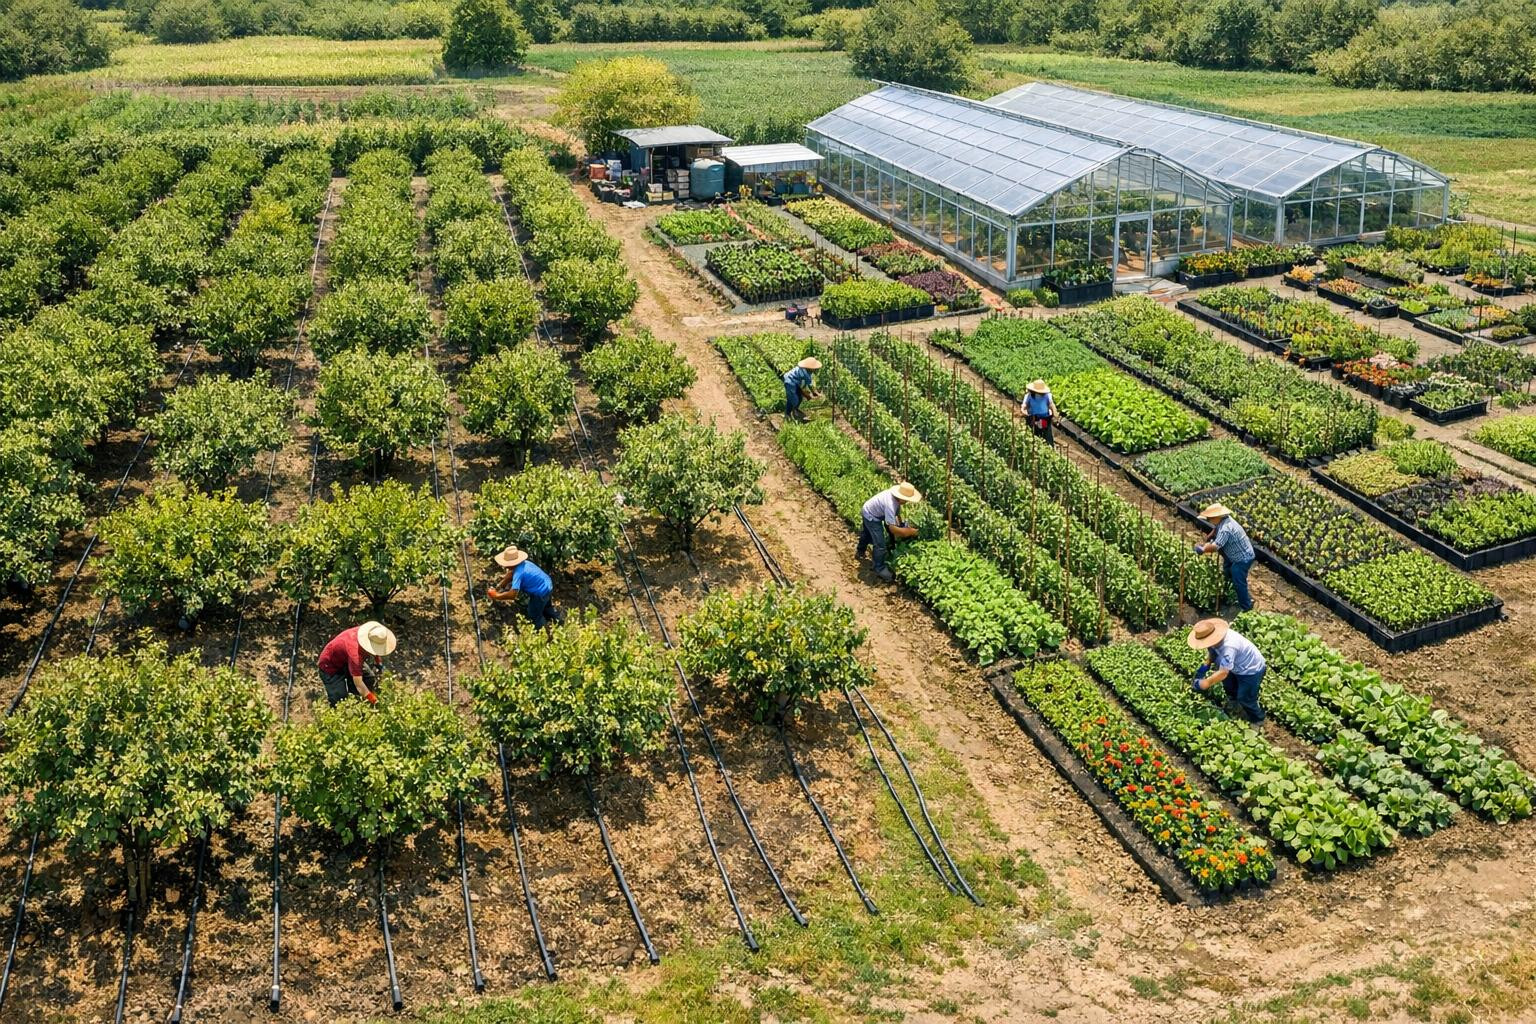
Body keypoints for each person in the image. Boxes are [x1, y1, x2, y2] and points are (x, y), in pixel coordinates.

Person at [1188, 617, 1267, 723]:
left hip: (1250, 670)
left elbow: (1223, 672)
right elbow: (1212, 652)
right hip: (1234, 666)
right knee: (1229, 686)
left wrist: (1206, 682)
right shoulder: (1215, 639)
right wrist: (1205, 666)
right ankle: (1234, 700)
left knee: (1245, 697)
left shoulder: (1229, 647)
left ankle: (1258, 718)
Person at [1193, 502, 1257, 612]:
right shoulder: (1223, 520)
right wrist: (1211, 535)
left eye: (1209, 518)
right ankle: (1230, 589)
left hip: (1242, 558)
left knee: (1238, 580)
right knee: (1228, 571)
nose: (1208, 520)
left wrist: (1203, 549)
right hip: (1233, 554)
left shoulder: (1226, 529)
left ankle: (1246, 607)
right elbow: (1216, 529)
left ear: (1216, 517)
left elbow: (1215, 547)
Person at [317, 621, 395, 707]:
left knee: (369, 679)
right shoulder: (355, 656)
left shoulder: (368, 634)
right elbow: (359, 684)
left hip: (346, 658)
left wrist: (379, 663)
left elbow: (376, 647)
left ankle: (356, 698)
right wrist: (373, 700)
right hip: (330, 666)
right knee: (339, 700)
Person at [856, 481, 922, 581]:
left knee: (867, 533)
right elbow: (892, 529)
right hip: (871, 516)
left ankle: (860, 550)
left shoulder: (895, 500)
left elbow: (897, 514)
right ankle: (879, 568)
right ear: (901, 498)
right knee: (880, 544)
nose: (907, 502)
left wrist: (900, 524)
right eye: (907, 499)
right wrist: (908, 532)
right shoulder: (890, 504)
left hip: (869, 509)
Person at [488, 545, 565, 628]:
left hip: (540, 592)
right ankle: (560, 621)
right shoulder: (524, 563)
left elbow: (512, 594)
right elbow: (510, 574)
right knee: (546, 606)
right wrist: (499, 587)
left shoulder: (518, 573)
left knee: (534, 614)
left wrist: (496, 596)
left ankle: (545, 634)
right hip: (547, 585)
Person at [782, 356, 821, 421]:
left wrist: (814, 392)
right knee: (794, 400)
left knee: (799, 398)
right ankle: (789, 414)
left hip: (795, 382)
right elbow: (805, 387)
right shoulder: (804, 374)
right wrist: (808, 395)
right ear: (810, 368)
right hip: (790, 382)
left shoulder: (806, 371)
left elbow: (808, 385)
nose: (815, 369)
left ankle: (795, 409)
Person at [1022, 379, 1059, 446]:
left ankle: (1048, 448)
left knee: (1046, 434)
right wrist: (1024, 412)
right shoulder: (1028, 396)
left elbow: (1051, 405)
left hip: (1044, 418)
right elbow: (1024, 406)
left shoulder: (1047, 396)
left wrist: (1055, 414)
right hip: (1033, 418)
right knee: (1033, 434)